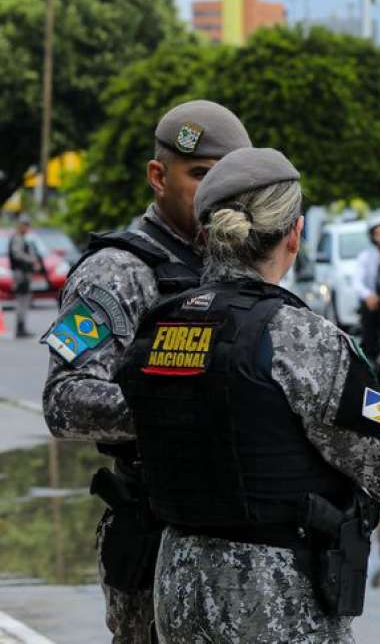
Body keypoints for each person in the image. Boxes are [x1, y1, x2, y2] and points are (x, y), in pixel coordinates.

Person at [114, 147, 380, 642]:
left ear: (208, 235)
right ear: (294, 234)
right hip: (273, 601)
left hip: (178, 587)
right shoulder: (303, 338)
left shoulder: (161, 322)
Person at [41, 100, 252, 643]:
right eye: (201, 176)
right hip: (155, 531)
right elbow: (64, 400)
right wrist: (182, 408)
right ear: (159, 176)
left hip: (240, 540)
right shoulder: (116, 274)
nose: (216, 195)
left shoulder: (239, 264)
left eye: (228, 181)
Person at [354, 215, 380, 354]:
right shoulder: (365, 256)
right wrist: (368, 296)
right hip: (374, 300)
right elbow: (357, 282)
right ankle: (371, 354)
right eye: (378, 234)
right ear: (372, 237)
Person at [7, 215, 43, 338]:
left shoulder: (22, 238)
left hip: (23, 272)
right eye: (26, 225)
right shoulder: (17, 238)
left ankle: (21, 327)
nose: (27, 228)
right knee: (22, 300)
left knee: (25, 299)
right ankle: (20, 328)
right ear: (21, 226)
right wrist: (32, 260)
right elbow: (17, 254)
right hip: (20, 273)